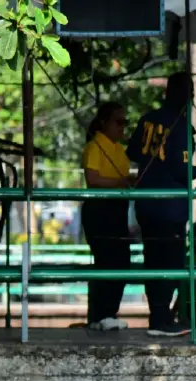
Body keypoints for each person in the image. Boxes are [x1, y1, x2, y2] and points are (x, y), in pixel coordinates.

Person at [127, 72, 196, 337]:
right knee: (170, 261)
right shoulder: (181, 125)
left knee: (152, 260)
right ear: (187, 96)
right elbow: (181, 169)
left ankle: (157, 314)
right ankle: (162, 318)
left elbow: (133, 151)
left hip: (146, 205)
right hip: (170, 207)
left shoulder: (148, 119)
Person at [81, 101, 132, 331]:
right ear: (104, 123)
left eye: (125, 122)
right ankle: (100, 314)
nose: (123, 127)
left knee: (122, 260)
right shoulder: (94, 147)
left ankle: (108, 313)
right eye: (118, 122)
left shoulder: (120, 150)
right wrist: (122, 183)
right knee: (107, 260)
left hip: (117, 210)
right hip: (100, 211)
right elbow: (93, 179)